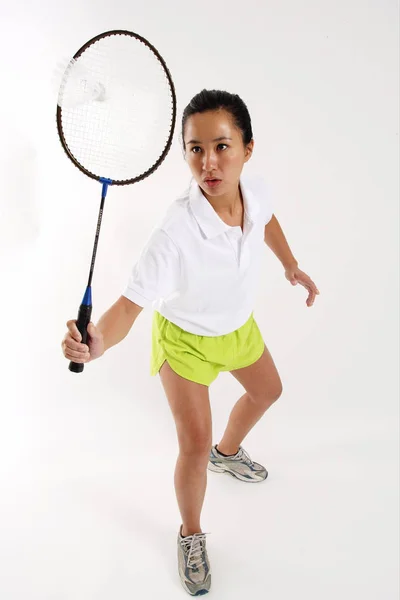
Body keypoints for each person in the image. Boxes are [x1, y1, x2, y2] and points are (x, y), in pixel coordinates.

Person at [61, 89, 320, 596]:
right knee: (192, 445)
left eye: (221, 146)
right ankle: (191, 534)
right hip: (184, 344)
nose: (208, 161)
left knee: (268, 391)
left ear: (248, 148)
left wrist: (289, 264)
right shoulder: (175, 232)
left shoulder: (256, 191)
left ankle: (230, 452)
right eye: (195, 149)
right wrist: (98, 344)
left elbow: (267, 221)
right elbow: (129, 308)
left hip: (237, 328)